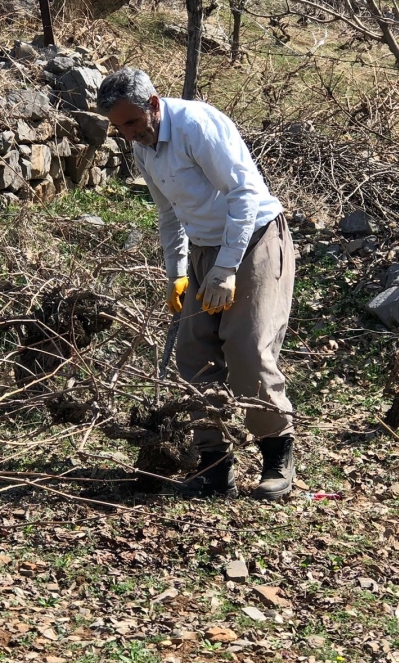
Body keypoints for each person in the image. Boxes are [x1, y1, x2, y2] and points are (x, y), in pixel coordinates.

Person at [96, 68, 296, 500]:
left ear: (153, 104)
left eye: (131, 122)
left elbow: (243, 193)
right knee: (194, 355)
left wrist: (226, 269)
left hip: (256, 238)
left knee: (246, 349)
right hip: (205, 247)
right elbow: (168, 214)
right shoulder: (142, 145)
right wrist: (178, 273)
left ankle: (277, 457)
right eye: (119, 127)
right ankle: (214, 467)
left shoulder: (196, 125)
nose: (127, 134)